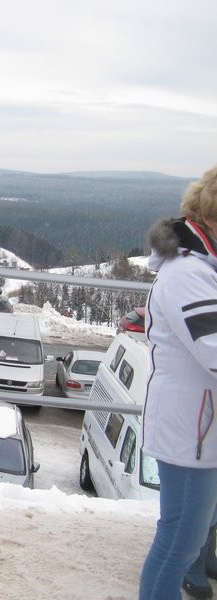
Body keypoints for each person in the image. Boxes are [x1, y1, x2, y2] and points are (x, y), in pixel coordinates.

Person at [139, 164, 217, 599]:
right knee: (179, 543)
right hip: (192, 430)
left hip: (200, 425)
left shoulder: (204, 266)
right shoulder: (189, 275)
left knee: (187, 535)